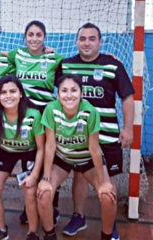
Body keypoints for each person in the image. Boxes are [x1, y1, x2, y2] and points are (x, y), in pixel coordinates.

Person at [60, 23, 134, 239]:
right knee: (80, 175)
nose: (87, 42)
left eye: (92, 38)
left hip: (107, 134)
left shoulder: (113, 65)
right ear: (76, 41)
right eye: (82, 38)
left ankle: (109, 226)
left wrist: (128, 128)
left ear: (100, 42)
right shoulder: (65, 65)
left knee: (107, 181)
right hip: (77, 135)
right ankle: (78, 216)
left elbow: (127, 97)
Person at [37, 74, 117, 240]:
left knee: (108, 196)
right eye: (64, 91)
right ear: (58, 95)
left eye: (74, 90)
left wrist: (103, 182)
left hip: (87, 159)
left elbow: (94, 149)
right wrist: (45, 177)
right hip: (63, 158)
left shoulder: (90, 112)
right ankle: (49, 235)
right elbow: (50, 146)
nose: (69, 94)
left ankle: (107, 236)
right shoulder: (51, 110)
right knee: (44, 192)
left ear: (81, 93)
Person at [0, 20, 63, 224]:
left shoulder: (54, 57)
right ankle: (30, 209)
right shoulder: (17, 55)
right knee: (29, 165)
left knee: (47, 162)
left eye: (38, 34)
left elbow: (67, 77)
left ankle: (51, 205)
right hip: (23, 117)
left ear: (44, 37)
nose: (34, 38)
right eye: (30, 34)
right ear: (25, 37)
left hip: (45, 119)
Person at [0, 75, 45, 240]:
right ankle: (2, 231)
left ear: (21, 94)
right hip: (5, 151)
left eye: (12, 91)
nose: (8, 95)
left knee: (30, 190)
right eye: (3, 92)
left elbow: (41, 148)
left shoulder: (33, 115)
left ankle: (32, 233)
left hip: (29, 151)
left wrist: (35, 175)